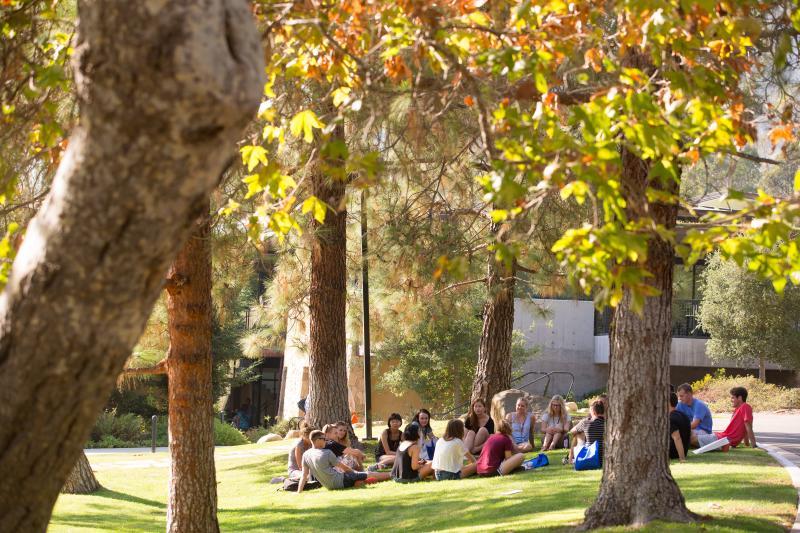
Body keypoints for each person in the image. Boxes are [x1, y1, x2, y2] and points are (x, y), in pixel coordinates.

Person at [298, 430, 390, 492]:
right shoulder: (326, 452)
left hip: (329, 486)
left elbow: (304, 475)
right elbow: (344, 468)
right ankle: (393, 474)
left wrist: (299, 492)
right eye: (324, 439)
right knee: (368, 474)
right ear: (317, 440)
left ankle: (359, 481)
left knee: (359, 477)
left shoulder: (306, 454)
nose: (326, 441)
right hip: (341, 481)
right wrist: (356, 473)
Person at [669, 392, 690, 462]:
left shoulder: (670, 418)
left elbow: (677, 438)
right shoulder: (683, 415)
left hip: (673, 453)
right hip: (685, 451)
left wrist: (682, 458)